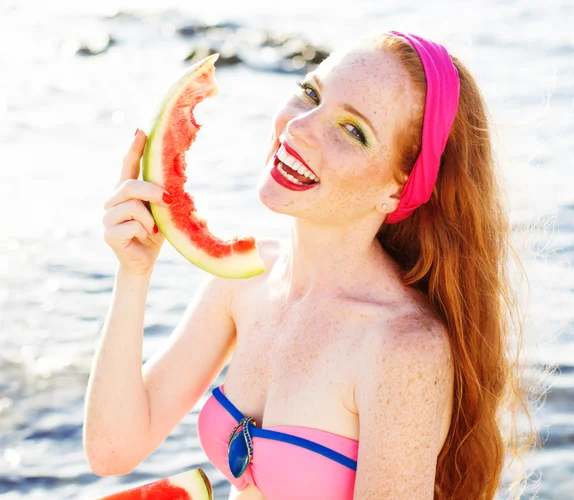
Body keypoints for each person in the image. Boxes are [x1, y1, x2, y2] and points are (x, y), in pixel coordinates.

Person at [84, 31, 541, 499]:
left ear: (399, 188)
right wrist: (134, 272)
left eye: (352, 130)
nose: (300, 128)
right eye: (311, 93)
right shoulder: (244, 280)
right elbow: (113, 450)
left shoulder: (402, 348)